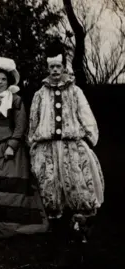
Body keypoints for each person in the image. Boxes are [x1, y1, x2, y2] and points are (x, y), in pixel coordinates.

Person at [28, 49, 104, 242]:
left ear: (63, 68)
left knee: (78, 180)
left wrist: (89, 136)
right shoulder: (40, 94)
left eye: (58, 67)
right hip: (48, 146)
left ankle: (81, 224)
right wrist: (33, 142)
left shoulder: (75, 91)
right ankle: (55, 225)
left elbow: (85, 113)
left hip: (71, 145)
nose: (55, 70)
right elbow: (34, 120)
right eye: (51, 67)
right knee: (50, 182)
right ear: (47, 69)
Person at [0, 57, 49, 238]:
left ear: (9, 81)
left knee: (9, 182)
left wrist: (12, 146)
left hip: (9, 147)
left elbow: (21, 127)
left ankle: (8, 225)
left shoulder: (16, 100)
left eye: (3, 79)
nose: (0, 82)